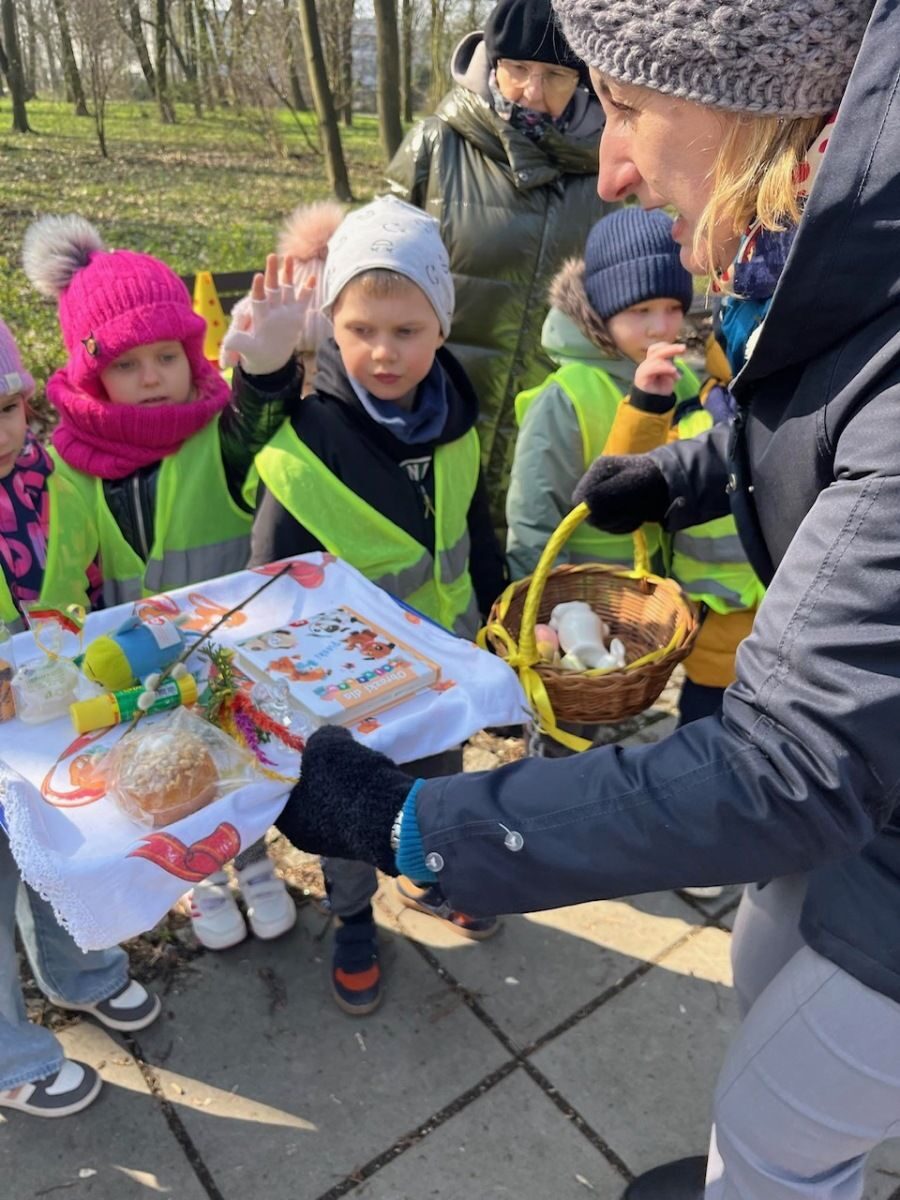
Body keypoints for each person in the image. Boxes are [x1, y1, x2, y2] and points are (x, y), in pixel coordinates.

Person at [274, 1, 900, 1196]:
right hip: (874, 798)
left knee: (782, 1123)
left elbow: (793, 765)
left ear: (760, 96)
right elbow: (822, 427)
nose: (609, 169)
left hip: (867, 788)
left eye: (626, 104)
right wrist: (684, 470)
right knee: (767, 962)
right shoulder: (825, 255)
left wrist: (418, 826)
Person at [245, 195, 508, 1015]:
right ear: (332, 324)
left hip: (440, 668)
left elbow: (477, 531)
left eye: (407, 330)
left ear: (442, 328)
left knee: (437, 785)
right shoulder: (310, 442)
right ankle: (354, 914)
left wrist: (501, 620)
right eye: (360, 329)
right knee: (353, 810)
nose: (384, 351)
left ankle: (431, 877)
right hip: (346, 690)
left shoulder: (458, 427)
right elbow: (270, 579)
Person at [22, 218, 300, 952]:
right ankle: (197, 881)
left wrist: (270, 371)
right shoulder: (74, 461)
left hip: (223, 652)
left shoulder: (218, 434)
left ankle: (253, 863)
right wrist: (52, 653)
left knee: (234, 763)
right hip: (137, 665)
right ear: (93, 375)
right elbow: (63, 571)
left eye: (167, 356)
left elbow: (261, 419)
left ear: (190, 352)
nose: (151, 377)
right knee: (166, 774)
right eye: (126, 364)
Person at [0, 318, 159, 1118]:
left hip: (52, 708)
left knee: (60, 843)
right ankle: (10, 1057)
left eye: (5, 408)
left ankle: (80, 973)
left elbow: (93, 576)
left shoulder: (54, 474)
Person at [386, 0, 611, 532]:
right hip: (434, 407)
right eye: (518, 69)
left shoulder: (607, 169)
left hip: (548, 424)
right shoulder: (437, 144)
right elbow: (379, 271)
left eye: (554, 75)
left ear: (581, 80)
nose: (532, 91)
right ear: (492, 63)